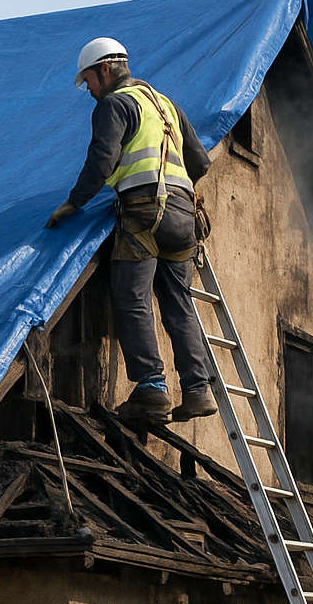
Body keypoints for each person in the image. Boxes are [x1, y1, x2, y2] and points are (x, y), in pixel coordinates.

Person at [45, 37, 217, 425]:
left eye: (88, 80)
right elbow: (200, 163)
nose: (88, 90)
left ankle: (152, 388)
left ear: (104, 69)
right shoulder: (163, 103)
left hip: (144, 213)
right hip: (183, 218)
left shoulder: (115, 104)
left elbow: (102, 159)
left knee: (132, 296)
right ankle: (197, 390)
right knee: (178, 302)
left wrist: (74, 202)